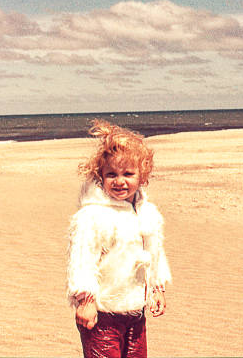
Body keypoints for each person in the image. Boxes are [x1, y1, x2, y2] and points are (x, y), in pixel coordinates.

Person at [66, 119, 171, 358]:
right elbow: (82, 259)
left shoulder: (147, 212)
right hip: (102, 314)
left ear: (142, 176)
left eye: (128, 174)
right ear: (100, 176)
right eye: (111, 174)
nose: (120, 181)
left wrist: (157, 288)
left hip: (135, 311)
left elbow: (154, 253)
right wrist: (85, 300)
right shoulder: (92, 215)